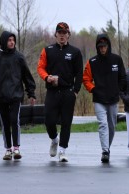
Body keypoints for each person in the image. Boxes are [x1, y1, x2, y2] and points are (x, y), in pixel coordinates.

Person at [0, 31, 36, 160]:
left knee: (14, 120)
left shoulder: (19, 57)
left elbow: (27, 76)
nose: (12, 42)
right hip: (1, 96)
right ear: (3, 41)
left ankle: (16, 148)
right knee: (5, 123)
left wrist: (31, 93)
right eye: (9, 40)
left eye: (13, 40)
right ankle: (8, 149)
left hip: (16, 95)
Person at [37, 22, 83, 162]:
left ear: (68, 35)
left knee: (66, 122)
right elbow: (40, 68)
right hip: (52, 91)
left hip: (68, 92)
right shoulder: (47, 50)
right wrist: (46, 77)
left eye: (65, 33)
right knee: (48, 120)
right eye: (59, 33)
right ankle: (54, 139)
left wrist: (75, 91)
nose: (62, 35)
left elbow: (79, 73)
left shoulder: (75, 52)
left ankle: (62, 151)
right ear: (56, 35)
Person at [83, 33, 126, 163]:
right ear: (97, 47)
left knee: (112, 126)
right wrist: (93, 89)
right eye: (100, 46)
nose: (102, 48)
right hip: (99, 99)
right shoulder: (92, 62)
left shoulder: (117, 60)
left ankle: (107, 147)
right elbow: (86, 79)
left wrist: (119, 90)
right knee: (103, 124)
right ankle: (105, 151)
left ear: (108, 46)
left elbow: (123, 77)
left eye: (104, 46)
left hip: (113, 99)